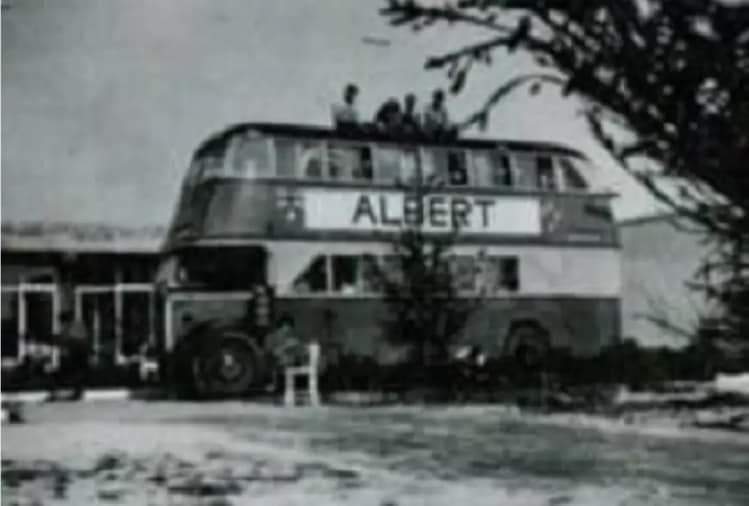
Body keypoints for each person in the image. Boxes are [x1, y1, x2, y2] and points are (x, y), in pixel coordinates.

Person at [50, 311, 89, 401]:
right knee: (78, 374)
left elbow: (65, 340)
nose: (60, 324)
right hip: (81, 354)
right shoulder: (78, 326)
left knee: (67, 374)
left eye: (60, 321)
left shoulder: (69, 328)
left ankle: (58, 391)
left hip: (75, 355)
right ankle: (78, 392)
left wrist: (56, 341)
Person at [265, 314, 305, 390]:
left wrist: (298, 345)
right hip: (275, 365)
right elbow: (272, 353)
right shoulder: (271, 337)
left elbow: (300, 352)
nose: (288, 330)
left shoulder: (291, 337)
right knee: (283, 360)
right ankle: (274, 384)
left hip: (289, 364)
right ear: (281, 327)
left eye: (290, 328)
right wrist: (286, 346)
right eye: (286, 327)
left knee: (293, 361)